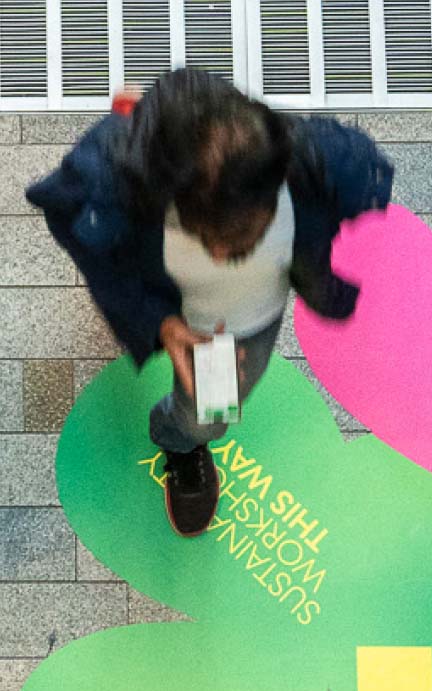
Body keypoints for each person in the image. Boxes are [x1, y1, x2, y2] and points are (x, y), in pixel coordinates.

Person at [25, 67, 395, 536]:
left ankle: (181, 443)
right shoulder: (109, 187)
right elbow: (96, 251)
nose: (222, 254)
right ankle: (135, 119)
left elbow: (337, 208)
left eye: (246, 237)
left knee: (208, 415)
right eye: (208, 235)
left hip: (238, 323)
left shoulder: (319, 164)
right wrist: (159, 321)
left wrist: (321, 287)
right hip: (170, 296)